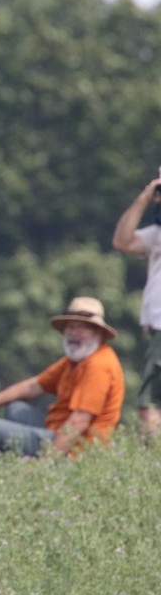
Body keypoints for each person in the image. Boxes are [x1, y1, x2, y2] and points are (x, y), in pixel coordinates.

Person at [0, 297, 124, 456]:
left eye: (82, 328)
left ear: (98, 333)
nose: (74, 333)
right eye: (70, 327)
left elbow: (78, 423)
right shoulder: (75, 361)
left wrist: (46, 463)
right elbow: (32, 386)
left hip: (77, 450)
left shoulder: (99, 366)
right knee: (17, 410)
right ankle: (9, 468)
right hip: (57, 431)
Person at [111, 171, 161, 435]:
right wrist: (145, 196)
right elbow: (122, 241)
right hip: (156, 330)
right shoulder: (157, 235)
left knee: (149, 405)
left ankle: (155, 465)